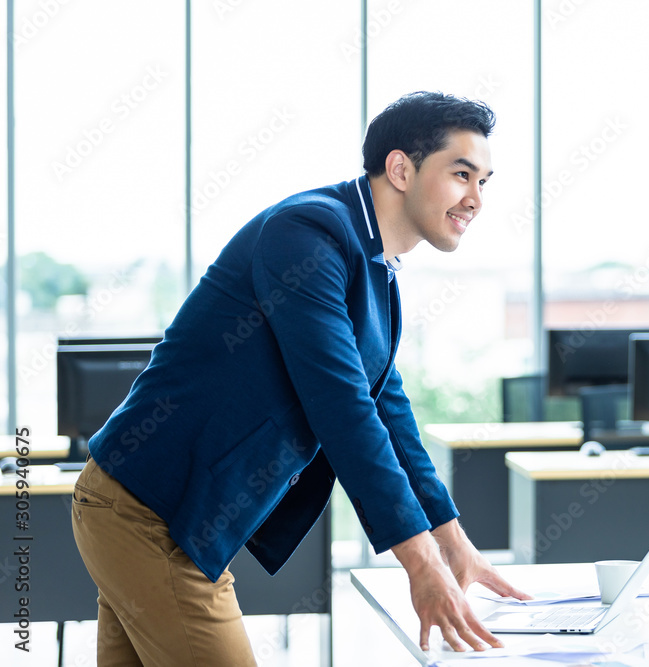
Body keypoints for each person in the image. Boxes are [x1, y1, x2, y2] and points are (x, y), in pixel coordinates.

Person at [71, 91, 529, 666]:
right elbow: (341, 407)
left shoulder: (374, 271)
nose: (476, 198)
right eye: (462, 174)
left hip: (158, 518)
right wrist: (421, 561)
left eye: (484, 181)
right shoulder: (307, 235)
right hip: (145, 516)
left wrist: (452, 540)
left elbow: (386, 406)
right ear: (401, 168)